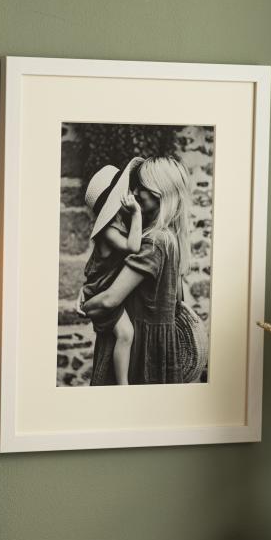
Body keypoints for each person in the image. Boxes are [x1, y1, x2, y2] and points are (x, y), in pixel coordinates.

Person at [80, 156, 192, 385]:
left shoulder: (154, 242)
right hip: (155, 345)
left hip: (140, 352)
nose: (136, 192)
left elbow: (109, 300)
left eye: (142, 186)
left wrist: (86, 305)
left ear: (159, 193)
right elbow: (176, 300)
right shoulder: (169, 238)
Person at [76, 157, 143, 385]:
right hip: (101, 289)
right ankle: (123, 384)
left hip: (104, 284)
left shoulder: (120, 223)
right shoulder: (109, 231)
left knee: (124, 334)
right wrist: (137, 213)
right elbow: (133, 247)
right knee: (125, 334)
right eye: (127, 192)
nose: (132, 194)